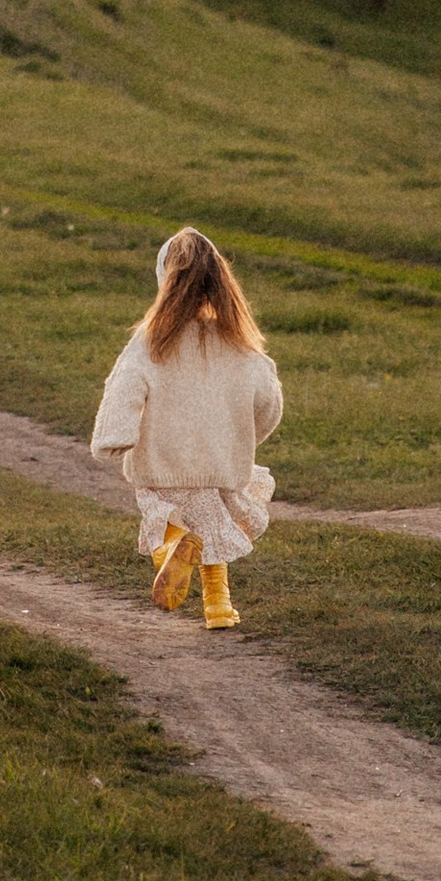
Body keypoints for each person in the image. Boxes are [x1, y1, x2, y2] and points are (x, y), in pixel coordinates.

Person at [91, 228, 284, 630]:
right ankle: (217, 609)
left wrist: (114, 438)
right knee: (215, 534)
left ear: (165, 280)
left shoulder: (151, 341)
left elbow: (124, 387)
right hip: (220, 464)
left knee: (167, 518)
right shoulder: (240, 345)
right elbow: (269, 402)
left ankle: (174, 546)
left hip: (163, 462)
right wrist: (243, 438)